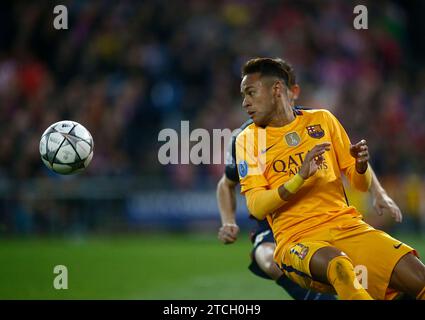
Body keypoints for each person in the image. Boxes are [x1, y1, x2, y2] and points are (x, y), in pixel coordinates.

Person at [235, 57, 425, 300]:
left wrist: (360, 166)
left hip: (347, 227)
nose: (245, 102)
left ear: (276, 90)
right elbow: (257, 206)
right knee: (339, 266)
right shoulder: (247, 139)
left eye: (250, 93)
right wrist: (299, 178)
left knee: (417, 278)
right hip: (297, 240)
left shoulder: (322, 120)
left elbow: (359, 184)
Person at [218, 110, 403, 300]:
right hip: (273, 218)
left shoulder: (314, 119)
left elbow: (349, 158)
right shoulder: (245, 137)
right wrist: (228, 222)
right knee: (267, 258)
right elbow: (226, 183)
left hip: (322, 214)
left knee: (357, 266)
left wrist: (378, 192)